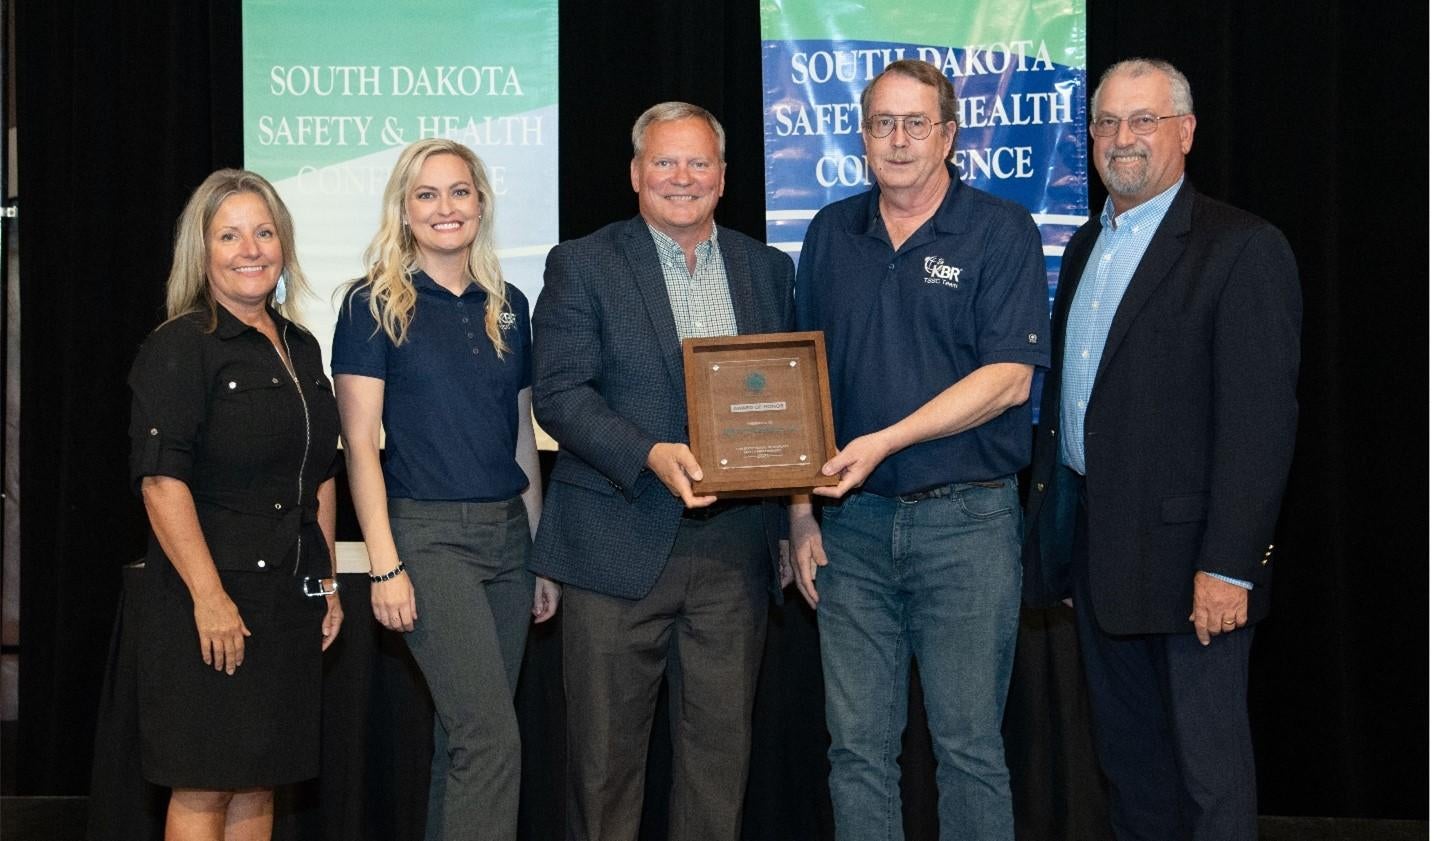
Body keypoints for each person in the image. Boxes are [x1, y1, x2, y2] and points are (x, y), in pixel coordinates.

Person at [1021, 58, 1301, 841]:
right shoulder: (1084, 247)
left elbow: (1260, 427)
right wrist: (1067, 547)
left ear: (1185, 130)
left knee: (1209, 779)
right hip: (1102, 562)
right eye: (1106, 123)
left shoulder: (1241, 248)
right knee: (1132, 772)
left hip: (1195, 573)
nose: (1121, 139)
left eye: (1142, 120)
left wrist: (1230, 565)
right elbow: (1078, 412)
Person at [788, 59, 1050, 840]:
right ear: (862, 135)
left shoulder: (1000, 229)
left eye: (915, 123)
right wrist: (800, 514)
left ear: (947, 134)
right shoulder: (834, 231)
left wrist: (889, 438)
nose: (898, 140)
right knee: (857, 751)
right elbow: (806, 384)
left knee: (968, 749)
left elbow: (1008, 381)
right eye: (881, 123)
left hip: (965, 524)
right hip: (852, 530)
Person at [528, 101, 794, 841]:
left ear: (724, 176)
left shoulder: (767, 268)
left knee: (719, 767)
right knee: (604, 771)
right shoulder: (583, 262)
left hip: (733, 552)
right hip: (612, 545)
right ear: (636, 173)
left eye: (699, 162)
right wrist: (647, 450)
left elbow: (784, 399)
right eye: (666, 162)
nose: (683, 177)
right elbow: (559, 394)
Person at [331, 137, 558, 841]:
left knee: (465, 743)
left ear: (482, 203)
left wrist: (539, 548)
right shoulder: (372, 305)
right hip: (426, 540)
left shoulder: (509, 304)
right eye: (426, 194)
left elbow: (520, 436)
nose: (445, 207)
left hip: (507, 544)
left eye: (459, 191)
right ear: (404, 209)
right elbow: (360, 446)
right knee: (492, 740)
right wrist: (385, 561)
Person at [128, 168, 344, 841]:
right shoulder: (180, 346)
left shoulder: (301, 345)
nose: (249, 248)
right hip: (210, 602)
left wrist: (327, 579)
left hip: (286, 601)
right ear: (204, 250)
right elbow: (162, 481)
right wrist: (209, 595)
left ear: (283, 245)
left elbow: (322, 475)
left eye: (263, 232)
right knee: (204, 783)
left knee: (259, 781)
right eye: (229, 234)